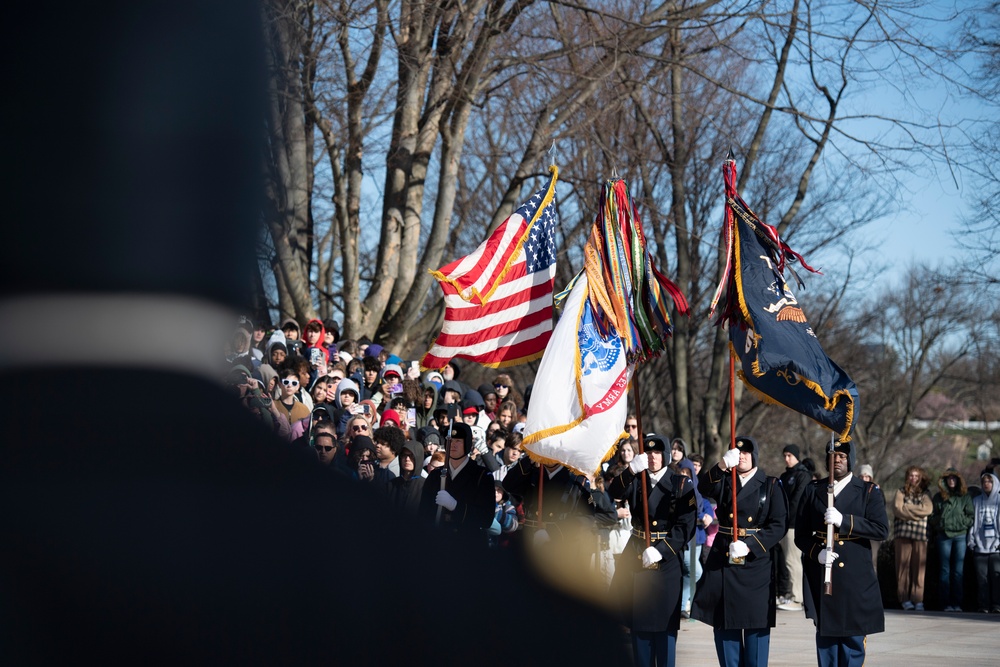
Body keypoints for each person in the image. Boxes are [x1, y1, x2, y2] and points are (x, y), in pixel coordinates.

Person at [692, 436, 787, 667]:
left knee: (756, 628)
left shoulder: (771, 485)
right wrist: (722, 466)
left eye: (746, 451)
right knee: (725, 628)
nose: (742, 455)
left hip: (755, 563)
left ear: (754, 455)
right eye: (737, 451)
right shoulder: (725, 479)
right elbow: (702, 488)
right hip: (725, 560)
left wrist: (751, 544)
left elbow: (779, 525)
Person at [795, 440, 888, 667]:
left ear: (851, 460)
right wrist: (817, 553)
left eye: (842, 456)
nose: (836, 460)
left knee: (853, 638)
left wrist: (844, 521)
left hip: (855, 577)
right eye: (832, 456)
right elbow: (801, 535)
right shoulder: (813, 490)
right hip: (824, 574)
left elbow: (881, 529)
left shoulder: (868, 491)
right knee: (826, 639)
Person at [606, 435, 696, 667]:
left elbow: (686, 525)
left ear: (666, 455)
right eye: (648, 453)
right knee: (639, 626)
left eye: (657, 453)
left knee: (664, 627)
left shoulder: (680, 484)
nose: (652, 457)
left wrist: (662, 550)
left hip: (664, 559)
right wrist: (629, 471)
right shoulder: (637, 479)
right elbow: (612, 493)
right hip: (636, 553)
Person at [419, 423, 495, 542]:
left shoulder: (482, 476)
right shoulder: (435, 475)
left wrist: (456, 506)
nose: (453, 445)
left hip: (466, 545)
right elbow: (423, 513)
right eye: (450, 440)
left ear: (468, 443)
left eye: (458, 440)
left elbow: (486, 519)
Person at [930, 468, 974, 611]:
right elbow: (932, 517)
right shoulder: (938, 497)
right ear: (945, 481)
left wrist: (962, 522)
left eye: (954, 478)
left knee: (958, 571)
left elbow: (971, 516)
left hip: (960, 535)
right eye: (949, 479)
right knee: (944, 570)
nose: (951, 481)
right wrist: (941, 522)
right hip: (944, 536)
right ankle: (945, 604)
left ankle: (957, 603)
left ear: (958, 480)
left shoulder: (965, 496)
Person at [892, 465, 933, 611]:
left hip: (921, 535)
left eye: (916, 476)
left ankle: (918, 600)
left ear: (920, 477)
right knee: (903, 568)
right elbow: (897, 509)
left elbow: (928, 509)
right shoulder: (900, 491)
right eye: (911, 475)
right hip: (902, 534)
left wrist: (907, 508)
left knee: (919, 569)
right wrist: (917, 514)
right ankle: (904, 599)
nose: (913, 478)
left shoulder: (926, 493)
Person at [777, 444, 812, 612]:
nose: (786, 458)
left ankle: (798, 598)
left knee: (793, 561)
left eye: (789, 455)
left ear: (796, 456)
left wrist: (785, 519)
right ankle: (790, 595)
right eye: (784, 455)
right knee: (785, 562)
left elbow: (797, 501)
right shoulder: (784, 476)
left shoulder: (803, 475)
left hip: (793, 525)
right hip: (782, 525)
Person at [969, 471, 1000, 613]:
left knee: (996, 578)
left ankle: (996, 605)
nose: (987, 484)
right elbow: (972, 523)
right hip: (980, 547)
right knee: (982, 579)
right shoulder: (976, 501)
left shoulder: (999, 500)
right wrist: (971, 541)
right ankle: (983, 606)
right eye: (984, 482)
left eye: (989, 482)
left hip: (996, 547)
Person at [857, 464, 881, 570]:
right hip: (858, 530)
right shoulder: (855, 491)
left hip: (872, 532)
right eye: (861, 476)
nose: (864, 479)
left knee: (873, 561)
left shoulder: (876, 491)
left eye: (867, 476)